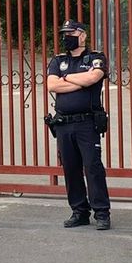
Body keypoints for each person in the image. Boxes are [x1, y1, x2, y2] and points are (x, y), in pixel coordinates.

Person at [45, 19, 111, 231]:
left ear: (82, 35)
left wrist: (67, 78)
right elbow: (51, 85)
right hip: (64, 124)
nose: (67, 37)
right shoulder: (58, 60)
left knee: (93, 168)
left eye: (71, 33)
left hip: (87, 122)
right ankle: (79, 212)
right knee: (71, 170)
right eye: (64, 33)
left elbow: (94, 78)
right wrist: (77, 80)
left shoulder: (96, 57)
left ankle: (101, 213)